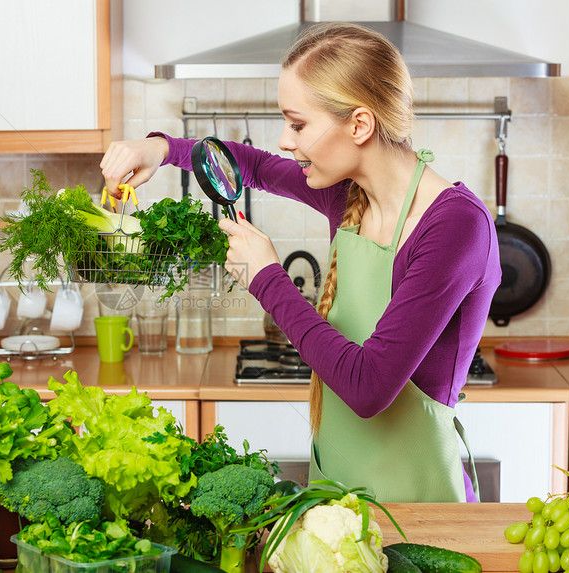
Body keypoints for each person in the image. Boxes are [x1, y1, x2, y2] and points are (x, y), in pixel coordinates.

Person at [99, 22, 500, 503]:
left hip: (420, 509)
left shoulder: (456, 225)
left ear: (359, 125)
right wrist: (160, 149)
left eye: (298, 123)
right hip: (336, 493)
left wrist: (268, 279)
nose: (286, 140)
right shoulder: (351, 195)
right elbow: (253, 165)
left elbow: (370, 388)